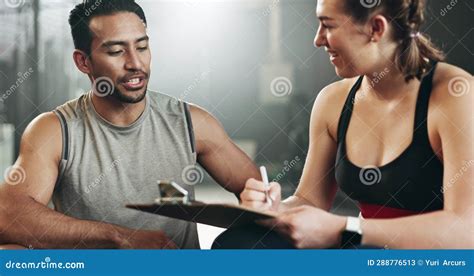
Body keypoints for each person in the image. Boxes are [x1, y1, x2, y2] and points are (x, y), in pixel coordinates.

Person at [0, 0, 259, 249]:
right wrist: (119, 238)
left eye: (142, 47)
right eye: (116, 51)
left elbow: (255, 188)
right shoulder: (55, 131)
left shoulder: (192, 122)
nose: (135, 63)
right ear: (83, 62)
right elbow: (8, 216)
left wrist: (258, 205)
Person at [215, 0, 473, 249]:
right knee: (238, 244)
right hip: (363, 248)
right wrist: (273, 209)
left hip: (439, 260)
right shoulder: (333, 100)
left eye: (328, 25)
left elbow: (466, 231)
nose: (318, 39)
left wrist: (345, 228)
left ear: (376, 28)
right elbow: (310, 201)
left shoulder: (455, 95)